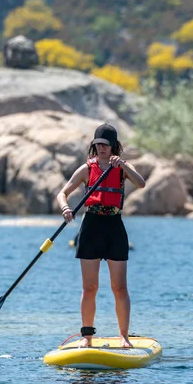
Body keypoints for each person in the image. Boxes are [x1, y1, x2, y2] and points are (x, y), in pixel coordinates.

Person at [56, 123, 145, 348]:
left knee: (119, 287)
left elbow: (141, 183)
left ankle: (124, 337)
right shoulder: (87, 168)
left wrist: (124, 165)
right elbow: (62, 193)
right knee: (90, 288)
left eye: (105, 145)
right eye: (98, 145)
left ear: (114, 146)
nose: (102, 148)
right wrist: (65, 208)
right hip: (91, 227)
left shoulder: (122, 167)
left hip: (114, 227)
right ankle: (87, 337)